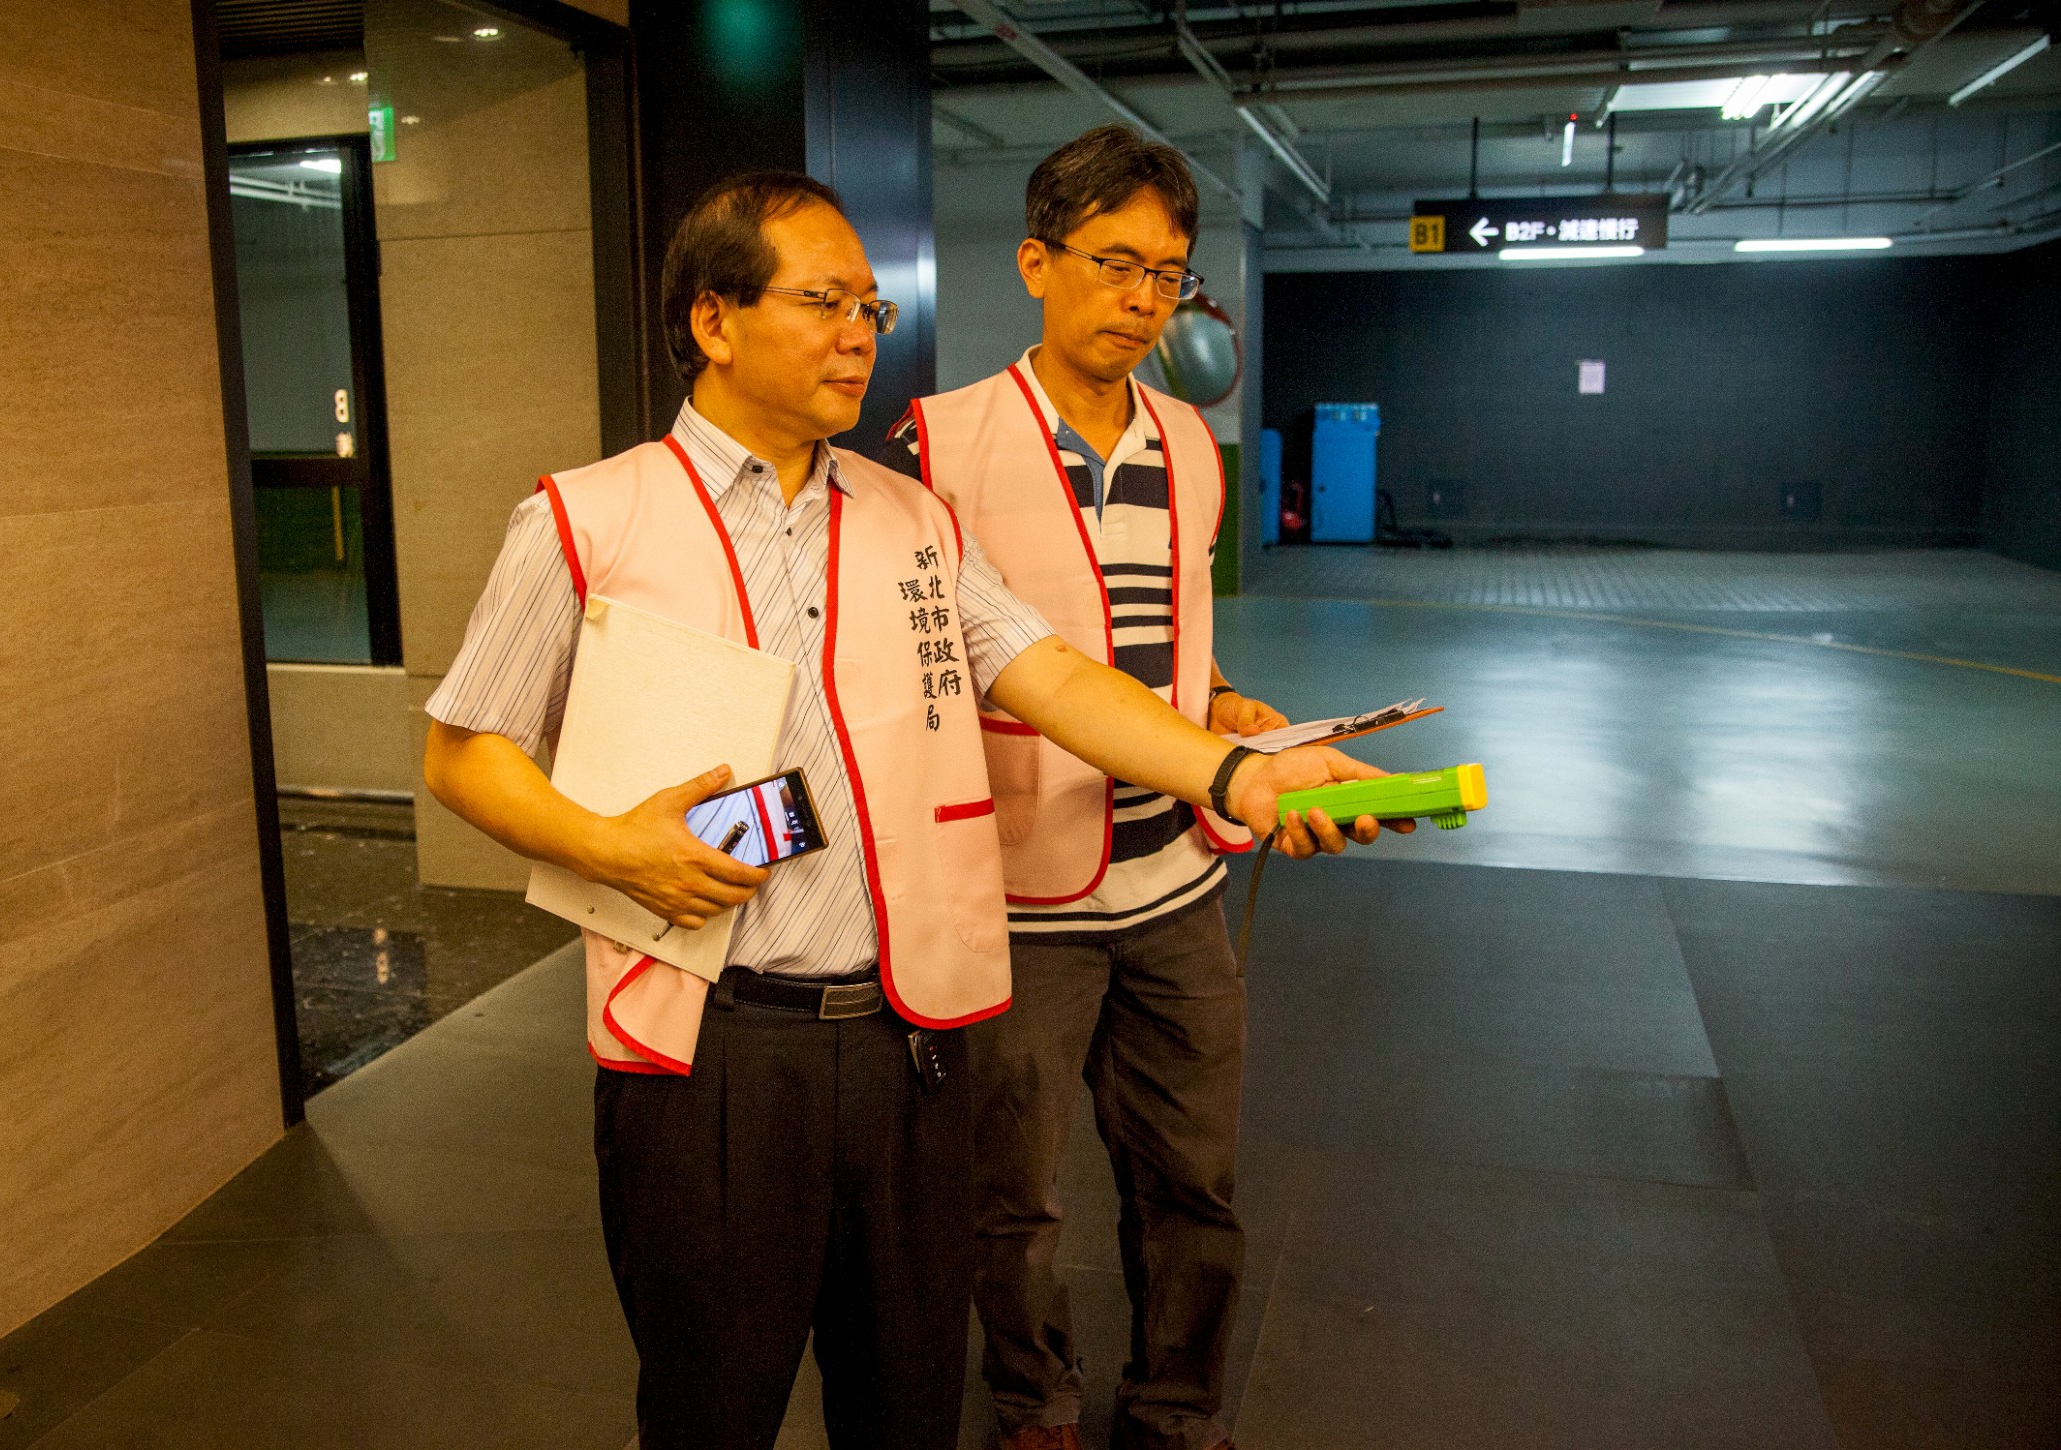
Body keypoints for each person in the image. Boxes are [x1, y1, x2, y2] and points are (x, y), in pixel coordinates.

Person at [421, 170, 1386, 1450]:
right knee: (714, 1404)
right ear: (714, 319)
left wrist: (1232, 772)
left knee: (909, 1402)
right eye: (823, 302)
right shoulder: (586, 516)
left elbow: (1051, 676)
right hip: (714, 1053)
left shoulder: (909, 517)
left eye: (869, 306)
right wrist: (608, 844)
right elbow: (464, 749)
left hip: (910, 1044)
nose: (861, 333)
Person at [875, 126, 1407, 1450]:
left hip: (1177, 882)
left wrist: (1225, 712)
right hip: (1017, 897)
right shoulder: (933, 445)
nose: (1140, 297)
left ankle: (1174, 1405)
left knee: (1196, 1185)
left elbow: (1169, 640)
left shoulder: (1191, 442)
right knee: (1013, 1195)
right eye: (1114, 263)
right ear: (1034, 261)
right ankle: (1034, 1400)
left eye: (1166, 273)